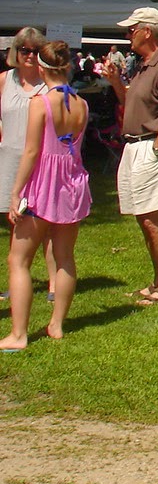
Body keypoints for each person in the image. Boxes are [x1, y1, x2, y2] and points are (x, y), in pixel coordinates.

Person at [1, 40, 92, 350]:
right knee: (65, 257)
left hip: (43, 186)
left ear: (41, 68)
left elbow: (31, 151)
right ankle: (56, 324)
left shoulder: (39, 102)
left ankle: (19, 334)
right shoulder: (82, 103)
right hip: (72, 183)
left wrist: (15, 193)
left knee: (19, 259)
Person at [102, 6, 158, 305]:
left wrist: (155, 150)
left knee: (152, 219)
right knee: (143, 218)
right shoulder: (142, 64)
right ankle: (156, 280)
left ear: (146, 31)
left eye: (131, 29)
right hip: (134, 145)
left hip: (151, 146)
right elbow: (132, 101)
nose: (128, 35)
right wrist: (115, 82)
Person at [0, 27, 57, 303]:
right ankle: (17, 279)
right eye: (25, 50)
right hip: (9, 157)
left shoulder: (49, 83)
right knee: (14, 221)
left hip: (41, 160)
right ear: (16, 52)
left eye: (36, 51)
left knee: (44, 223)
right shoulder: (4, 80)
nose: (31, 56)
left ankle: (54, 284)